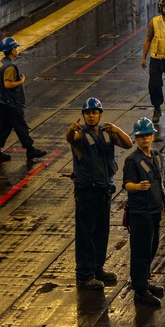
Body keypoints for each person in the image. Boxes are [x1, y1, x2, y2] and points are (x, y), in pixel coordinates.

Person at [67, 97, 132, 291]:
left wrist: (117, 129)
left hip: (104, 190)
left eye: (94, 112)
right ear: (83, 115)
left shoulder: (107, 133)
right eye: (87, 113)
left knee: (101, 232)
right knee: (86, 233)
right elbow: (71, 139)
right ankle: (84, 275)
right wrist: (71, 130)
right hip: (87, 190)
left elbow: (128, 144)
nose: (91, 116)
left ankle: (97, 269)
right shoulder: (80, 135)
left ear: (100, 115)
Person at [123, 118, 165, 307]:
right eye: (141, 136)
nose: (145, 139)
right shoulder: (132, 161)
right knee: (141, 251)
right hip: (140, 212)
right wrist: (137, 186)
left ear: (152, 136)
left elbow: (159, 181)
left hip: (154, 210)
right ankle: (140, 290)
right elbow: (126, 184)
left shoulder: (157, 156)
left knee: (151, 248)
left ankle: (144, 282)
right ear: (136, 139)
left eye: (147, 136)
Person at [0, 37, 48, 162]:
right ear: (11, 50)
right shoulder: (10, 66)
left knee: (3, 126)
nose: (17, 50)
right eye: (15, 48)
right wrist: (21, 81)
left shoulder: (2, 62)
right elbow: (7, 84)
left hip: (2, 102)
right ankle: (30, 150)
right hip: (10, 103)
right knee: (20, 126)